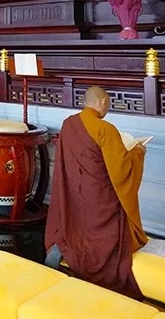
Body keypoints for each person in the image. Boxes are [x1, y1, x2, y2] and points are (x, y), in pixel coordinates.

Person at [45, 86, 148, 298]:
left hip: (75, 196)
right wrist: (138, 152)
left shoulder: (69, 124)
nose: (107, 108)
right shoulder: (105, 129)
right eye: (108, 104)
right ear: (101, 102)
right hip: (101, 201)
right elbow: (121, 172)